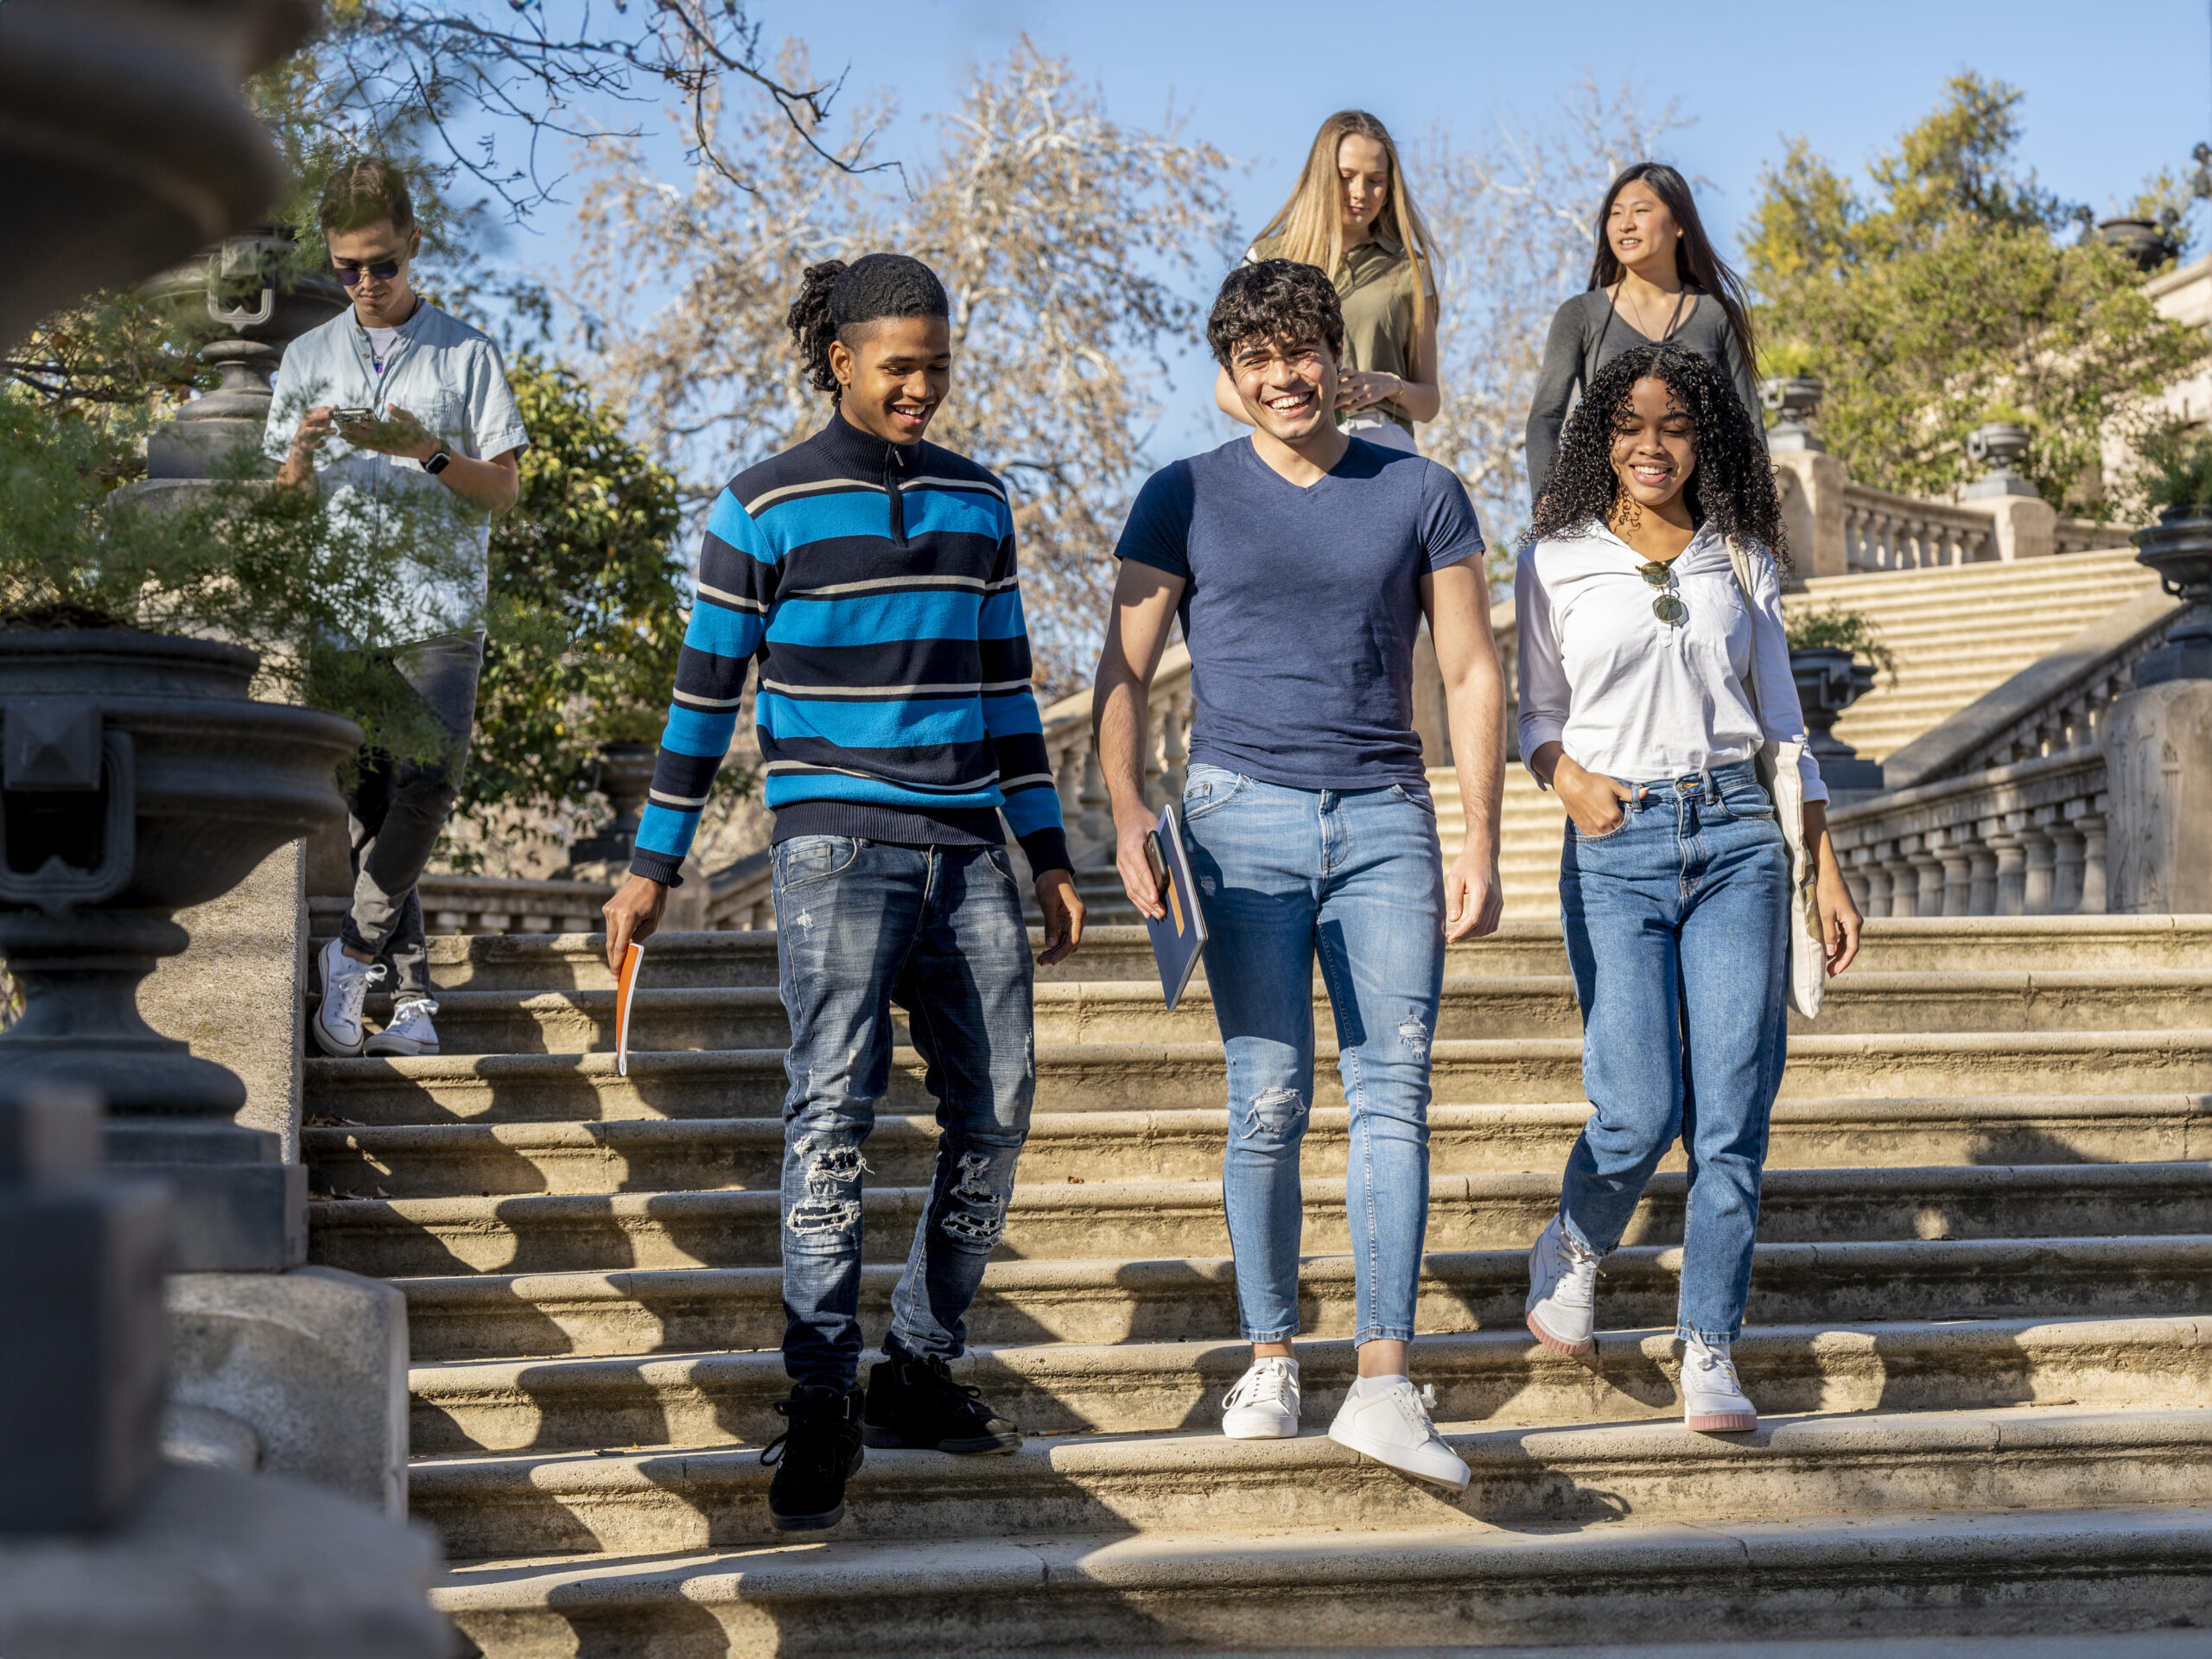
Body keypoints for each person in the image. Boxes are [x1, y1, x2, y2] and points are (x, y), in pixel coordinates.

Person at [599, 254, 1085, 1534]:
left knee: (1000, 1110)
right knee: (832, 1116)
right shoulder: (758, 508)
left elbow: (1009, 695)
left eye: (938, 366)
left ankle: (916, 1365)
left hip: (971, 849)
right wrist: (653, 866)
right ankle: (819, 1395)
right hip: (833, 855)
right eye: (899, 367)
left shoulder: (981, 505)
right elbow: (704, 703)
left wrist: (1045, 850)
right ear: (842, 362)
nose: (922, 387)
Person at [1096, 257, 1505, 1490]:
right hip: (1237, 821)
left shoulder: (1421, 491)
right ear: (1230, 378)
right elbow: (1119, 672)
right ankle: (1272, 1355)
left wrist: (1480, 834)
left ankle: (1385, 1382)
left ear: (1339, 353)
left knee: (1394, 1098)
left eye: (1300, 352)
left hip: (1386, 817)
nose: (1283, 378)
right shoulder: (1181, 496)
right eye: (1255, 361)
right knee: (1266, 1097)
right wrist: (1123, 811)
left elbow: (1475, 672)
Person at [1515, 342, 1863, 1433]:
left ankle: (1707, 1344)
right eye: (1628, 425)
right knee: (1637, 1107)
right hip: (1614, 844)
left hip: (1737, 839)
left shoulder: (1741, 553)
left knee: (1730, 1118)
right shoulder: (1553, 558)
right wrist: (1569, 782)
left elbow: (1783, 728)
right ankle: (1573, 1244)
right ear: (1599, 440)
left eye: (1673, 425)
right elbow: (1534, 716)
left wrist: (1828, 868)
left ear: (1703, 436)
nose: (1651, 445)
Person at [270, 158, 527, 1060]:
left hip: (440, 610)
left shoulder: (466, 352)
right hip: (343, 616)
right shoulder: (305, 361)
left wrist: (426, 451)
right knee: (371, 808)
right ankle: (410, 1000)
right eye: (348, 268)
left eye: (382, 264)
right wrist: (299, 454)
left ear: (413, 245)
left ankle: (348, 956)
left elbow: (502, 491)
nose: (367, 284)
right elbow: (284, 504)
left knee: (430, 783)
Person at [1524, 162, 1764, 507]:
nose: (1625, 224)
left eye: (1641, 210)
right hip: (1606, 514)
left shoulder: (1717, 313)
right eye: (1616, 213)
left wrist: (1756, 517)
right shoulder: (1580, 314)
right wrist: (1549, 500)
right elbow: (1544, 419)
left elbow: (1747, 424)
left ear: (1680, 224)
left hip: (1702, 516)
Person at [1213, 110, 1442, 454]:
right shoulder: (1265, 257)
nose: (1360, 192)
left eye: (1375, 180)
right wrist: (1293, 420)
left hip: (1378, 444)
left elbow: (1429, 401)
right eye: (1346, 176)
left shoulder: (1410, 268)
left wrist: (1388, 386)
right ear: (1322, 175)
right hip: (1288, 445)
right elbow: (1226, 390)